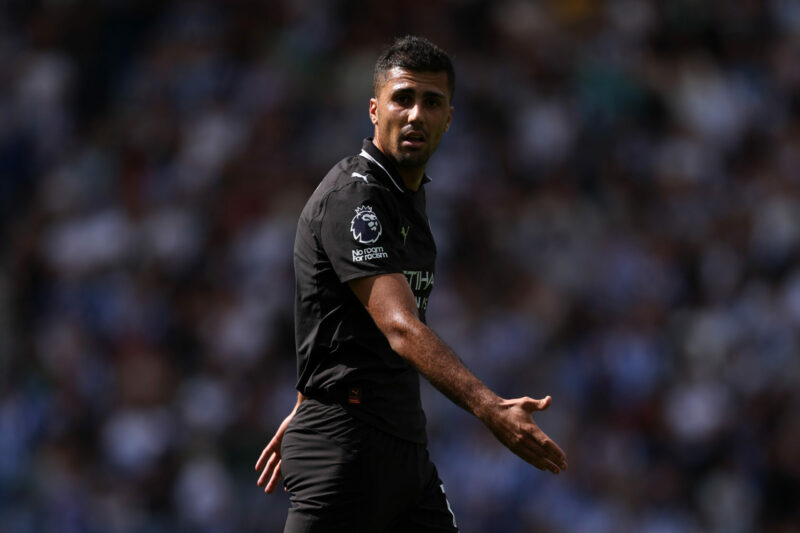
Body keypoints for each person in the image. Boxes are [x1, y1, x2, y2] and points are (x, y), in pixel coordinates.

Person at [255, 35, 568, 532]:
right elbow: (399, 327)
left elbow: (336, 314)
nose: (416, 114)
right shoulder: (355, 199)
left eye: (432, 102)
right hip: (345, 447)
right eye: (403, 98)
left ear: (449, 118)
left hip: (401, 446)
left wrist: (307, 397)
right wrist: (490, 409)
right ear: (375, 110)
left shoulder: (407, 199)